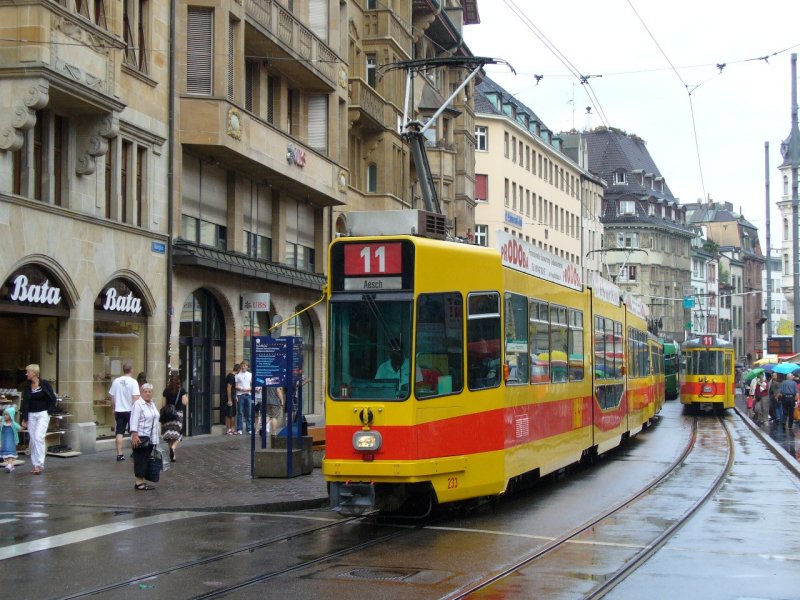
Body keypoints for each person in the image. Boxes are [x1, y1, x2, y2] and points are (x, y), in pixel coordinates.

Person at [20, 364, 57, 475]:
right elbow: (25, 403)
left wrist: (49, 411)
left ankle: (40, 463)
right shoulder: (27, 386)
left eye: (28, 372)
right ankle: (35, 464)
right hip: (31, 414)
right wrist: (24, 418)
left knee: (38, 437)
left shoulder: (44, 384)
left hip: (42, 414)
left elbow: (52, 398)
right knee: (33, 439)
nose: (26, 374)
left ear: (34, 373)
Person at [108, 362, 140, 462]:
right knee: (133, 431)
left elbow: (112, 396)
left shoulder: (116, 381)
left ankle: (119, 454)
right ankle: (134, 452)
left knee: (119, 432)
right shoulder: (133, 382)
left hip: (119, 410)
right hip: (130, 410)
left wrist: (113, 408)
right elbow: (135, 397)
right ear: (131, 370)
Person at [130, 383, 159, 490]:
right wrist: (134, 434)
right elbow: (134, 419)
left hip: (151, 438)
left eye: (150, 392)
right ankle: (139, 483)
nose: (148, 394)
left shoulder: (152, 404)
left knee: (145, 460)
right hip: (141, 437)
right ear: (141, 393)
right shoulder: (138, 404)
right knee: (140, 460)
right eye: (145, 392)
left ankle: (142, 481)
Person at [161, 371, 188, 462]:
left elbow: (163, 404)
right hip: (177, 414)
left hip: (168, 414)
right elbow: (185, 402)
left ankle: (172, 454)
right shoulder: (182, 390)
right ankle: (173, 448)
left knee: (169, 435)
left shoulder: (166, 390)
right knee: (178, 434)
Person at [1, 404, 21, 473]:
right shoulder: (2, 424)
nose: (5, 416)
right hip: (4, 441)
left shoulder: (13, 424)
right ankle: (10, 465)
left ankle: (9, 465)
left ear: (11, 415)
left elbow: (20, 428)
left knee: (10, 454)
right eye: (4, 414)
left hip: (11, 442)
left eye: (6, 415)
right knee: (5, 455)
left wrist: (24, 426)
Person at [234, 361, 253, 435]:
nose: (243, 367)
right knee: (240, 412)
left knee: (249, 413)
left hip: (248, 394)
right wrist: (241, 389)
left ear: (247, 367)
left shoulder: (250, 374)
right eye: (242, 366)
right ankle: (239, 428)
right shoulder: (237, 375)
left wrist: (250, 389)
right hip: (240, 395)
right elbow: (235, 386)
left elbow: (252, 384)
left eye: (245, 366)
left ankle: (249, 428)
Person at [224, 363, 240, 435]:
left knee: (231, 413)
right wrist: (229, 399)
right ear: (238, 370)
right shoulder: (231, 376)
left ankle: (231, 429)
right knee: (230, 414)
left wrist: (235, 396)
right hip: (230, 397)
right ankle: (229, 429)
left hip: (232, 396)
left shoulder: (230, 375)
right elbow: (229, 388)